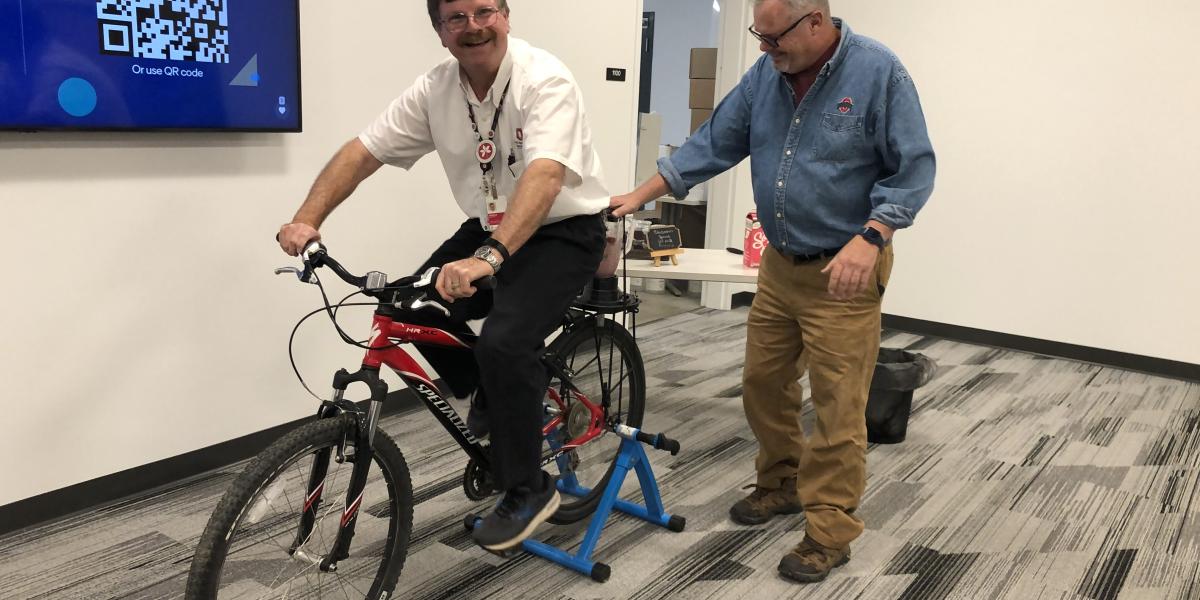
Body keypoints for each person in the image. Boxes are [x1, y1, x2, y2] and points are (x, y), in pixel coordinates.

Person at [610, 0, 935, 584]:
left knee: (839, 407)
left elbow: (914, 168)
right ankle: (781, 481)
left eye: (773, 38)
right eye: (758, 37)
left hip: (846, 266)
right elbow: (714, 141)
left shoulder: (878, 71)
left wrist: (874, 234)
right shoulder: (767, 74)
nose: (764, 49)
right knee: (763, 383)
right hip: (782, 265)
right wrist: (642, 193)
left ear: (814, 21)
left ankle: (830, 533)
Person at [277, 0, 609, 552]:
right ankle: (491, 389)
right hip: (491, 227)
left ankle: (529, 487)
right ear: (439, 31)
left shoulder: (544, 78)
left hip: (563, 230)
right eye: (456, 17)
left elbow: (546, 175)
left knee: (504, 340)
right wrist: (308, 217)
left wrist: (491, 258)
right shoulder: (435, 90)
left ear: (506, 16)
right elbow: (363, 152)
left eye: (485, 11)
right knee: (407, 310)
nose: (473, 26)